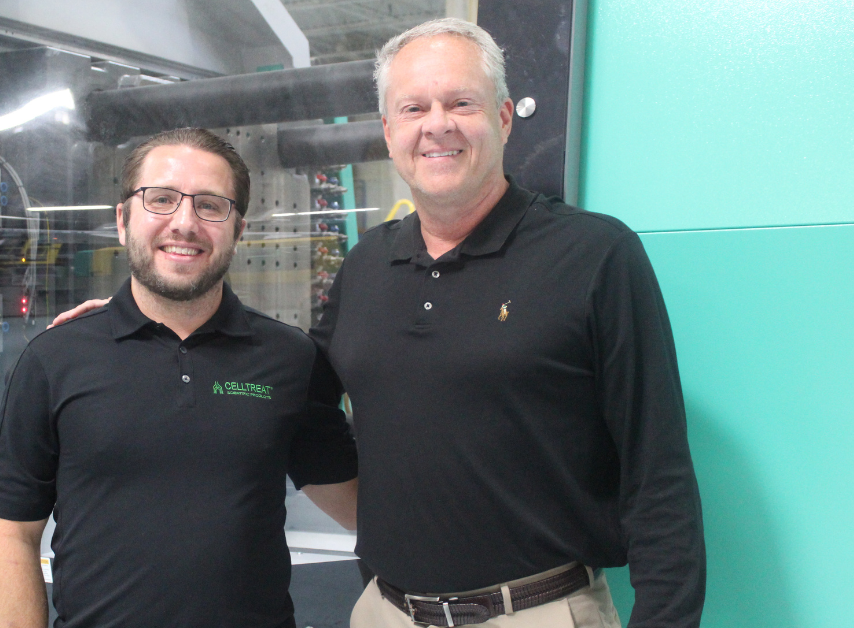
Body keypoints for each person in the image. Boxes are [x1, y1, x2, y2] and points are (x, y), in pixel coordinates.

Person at [52, 18, 706, 628]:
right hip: (385, 613)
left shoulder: (594, 255)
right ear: (389, 131)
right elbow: (291, 392)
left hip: (534, 610)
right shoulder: (369, 264)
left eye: (462, 104)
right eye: (414, 108)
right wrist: (142, 324)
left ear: (504, 118)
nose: (437, 126)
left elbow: (660, 476)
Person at [0, 128, 359, 628]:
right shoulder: (54, 359)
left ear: (238, 230)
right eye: (160, 199)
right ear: (122, 220)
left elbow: (357, 502)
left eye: (210, 205)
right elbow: (12, 535)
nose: (184, 223)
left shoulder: (290, 359)